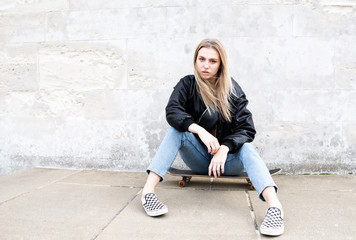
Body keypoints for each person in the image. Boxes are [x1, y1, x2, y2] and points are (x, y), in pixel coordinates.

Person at [141, 39, 284, 236]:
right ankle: (148, 193)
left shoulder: (232, 89)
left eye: (212, 61)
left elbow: (247, 129)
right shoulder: (187, 84)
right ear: (195, 60)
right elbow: (172, 111)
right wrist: (200, 130)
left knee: (248, 148)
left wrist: (224, 148)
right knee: (176, 131)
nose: (205, 65)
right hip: (200, 159)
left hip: (228, 162)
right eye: (201, 59)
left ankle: (274, 208)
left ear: (220, 64)